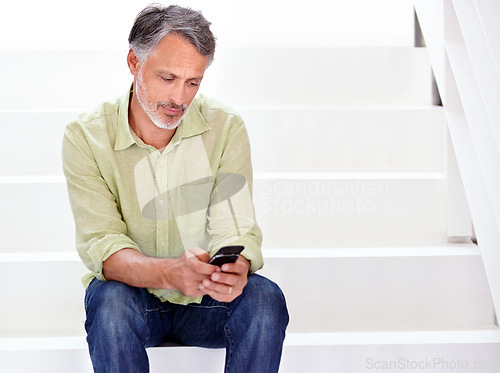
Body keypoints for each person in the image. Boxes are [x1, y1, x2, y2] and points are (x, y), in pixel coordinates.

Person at [62, 3, 289, 373]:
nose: (180, 99)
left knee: (265, 298)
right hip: (135, 303)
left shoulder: (226, 128)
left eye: (193, 82)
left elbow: (237, 228)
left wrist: (236, 268)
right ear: (134, 63)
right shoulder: (86, 136)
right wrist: (169, 273)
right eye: (167, 78)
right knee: (108, 301)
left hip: (207, 304)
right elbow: (102, 244)